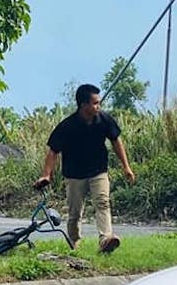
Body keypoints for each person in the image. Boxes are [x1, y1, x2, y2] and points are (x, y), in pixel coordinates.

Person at [35, 83, 136, 253]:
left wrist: (126, 167)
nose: (98, 106)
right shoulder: (68, 125)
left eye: (99, 103)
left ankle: (105, 239)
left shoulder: (104, 119)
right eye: (95, 103)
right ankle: (74, 242)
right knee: (75, 213)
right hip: (74, 174)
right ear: (83, 105)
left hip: (98, 171)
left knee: (103, 203)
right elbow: (53, 151)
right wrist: (46, 175)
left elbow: (116, 141)